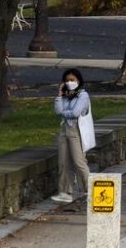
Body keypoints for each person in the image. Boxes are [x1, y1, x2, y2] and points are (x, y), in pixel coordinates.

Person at [52, 68, 91, 203]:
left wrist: (65, 112)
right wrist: (59, 94)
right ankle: (65, 192)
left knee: (79, 161)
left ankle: (88, 190)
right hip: (64, 129)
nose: (69, 82)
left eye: (72, 80)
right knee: (63, 162)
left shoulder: (83, 95)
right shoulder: (65, 95)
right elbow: (57, 110)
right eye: (67, 80)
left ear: (78, 80)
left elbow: (76, 112)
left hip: (76, 130)